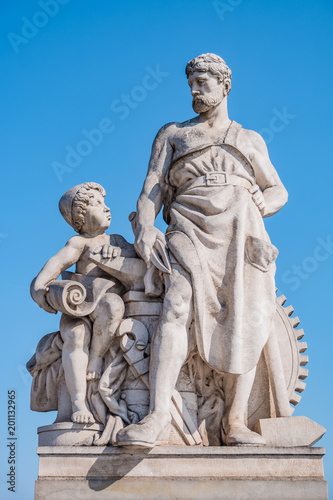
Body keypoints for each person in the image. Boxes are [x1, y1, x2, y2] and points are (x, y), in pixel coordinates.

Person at [116, 53, 288, 447]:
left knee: (248, 315)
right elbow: (151, 190)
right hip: (189, 223)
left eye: (202, 83)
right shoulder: (174, 134)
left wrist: (266, 202)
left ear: (225, 85)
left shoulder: (249, 139)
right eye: (190, 83)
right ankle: (159, 416)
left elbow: (278, 188)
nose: (194, 90)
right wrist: (144, 226)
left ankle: (235, 421)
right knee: (177, 303)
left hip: (243, 230)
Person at [31, 182, 134, 424]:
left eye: (106, 203)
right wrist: (39, 290)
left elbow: (140, 262)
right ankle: (78, 402)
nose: (107, 209)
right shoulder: (78, 243)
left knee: (113, 305)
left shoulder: (117, 241)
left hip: (104, 305)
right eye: (98, 204)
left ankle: (96, 357)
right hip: (77, 308)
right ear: (80, 217)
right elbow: (53, 268)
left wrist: (120, 254)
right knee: (75, 336)